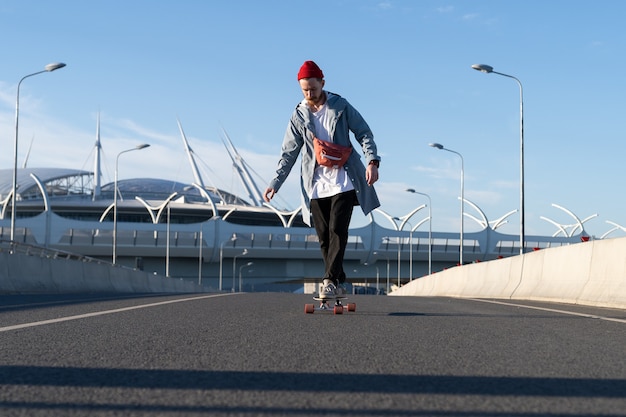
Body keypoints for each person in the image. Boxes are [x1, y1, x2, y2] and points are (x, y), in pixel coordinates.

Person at [263, 60, 381, 299]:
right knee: (325, 237)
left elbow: (363, 132)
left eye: (313, 89)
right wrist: (275, 182)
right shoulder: (298, 116)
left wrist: (372, 161)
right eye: (304, 90)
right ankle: (337, 280)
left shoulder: (340, 106)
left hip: (344, 180)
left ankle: (328, 280)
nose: (309, 94)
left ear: (322, 84)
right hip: (315, 185)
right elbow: (289, 153)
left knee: (338, 229)